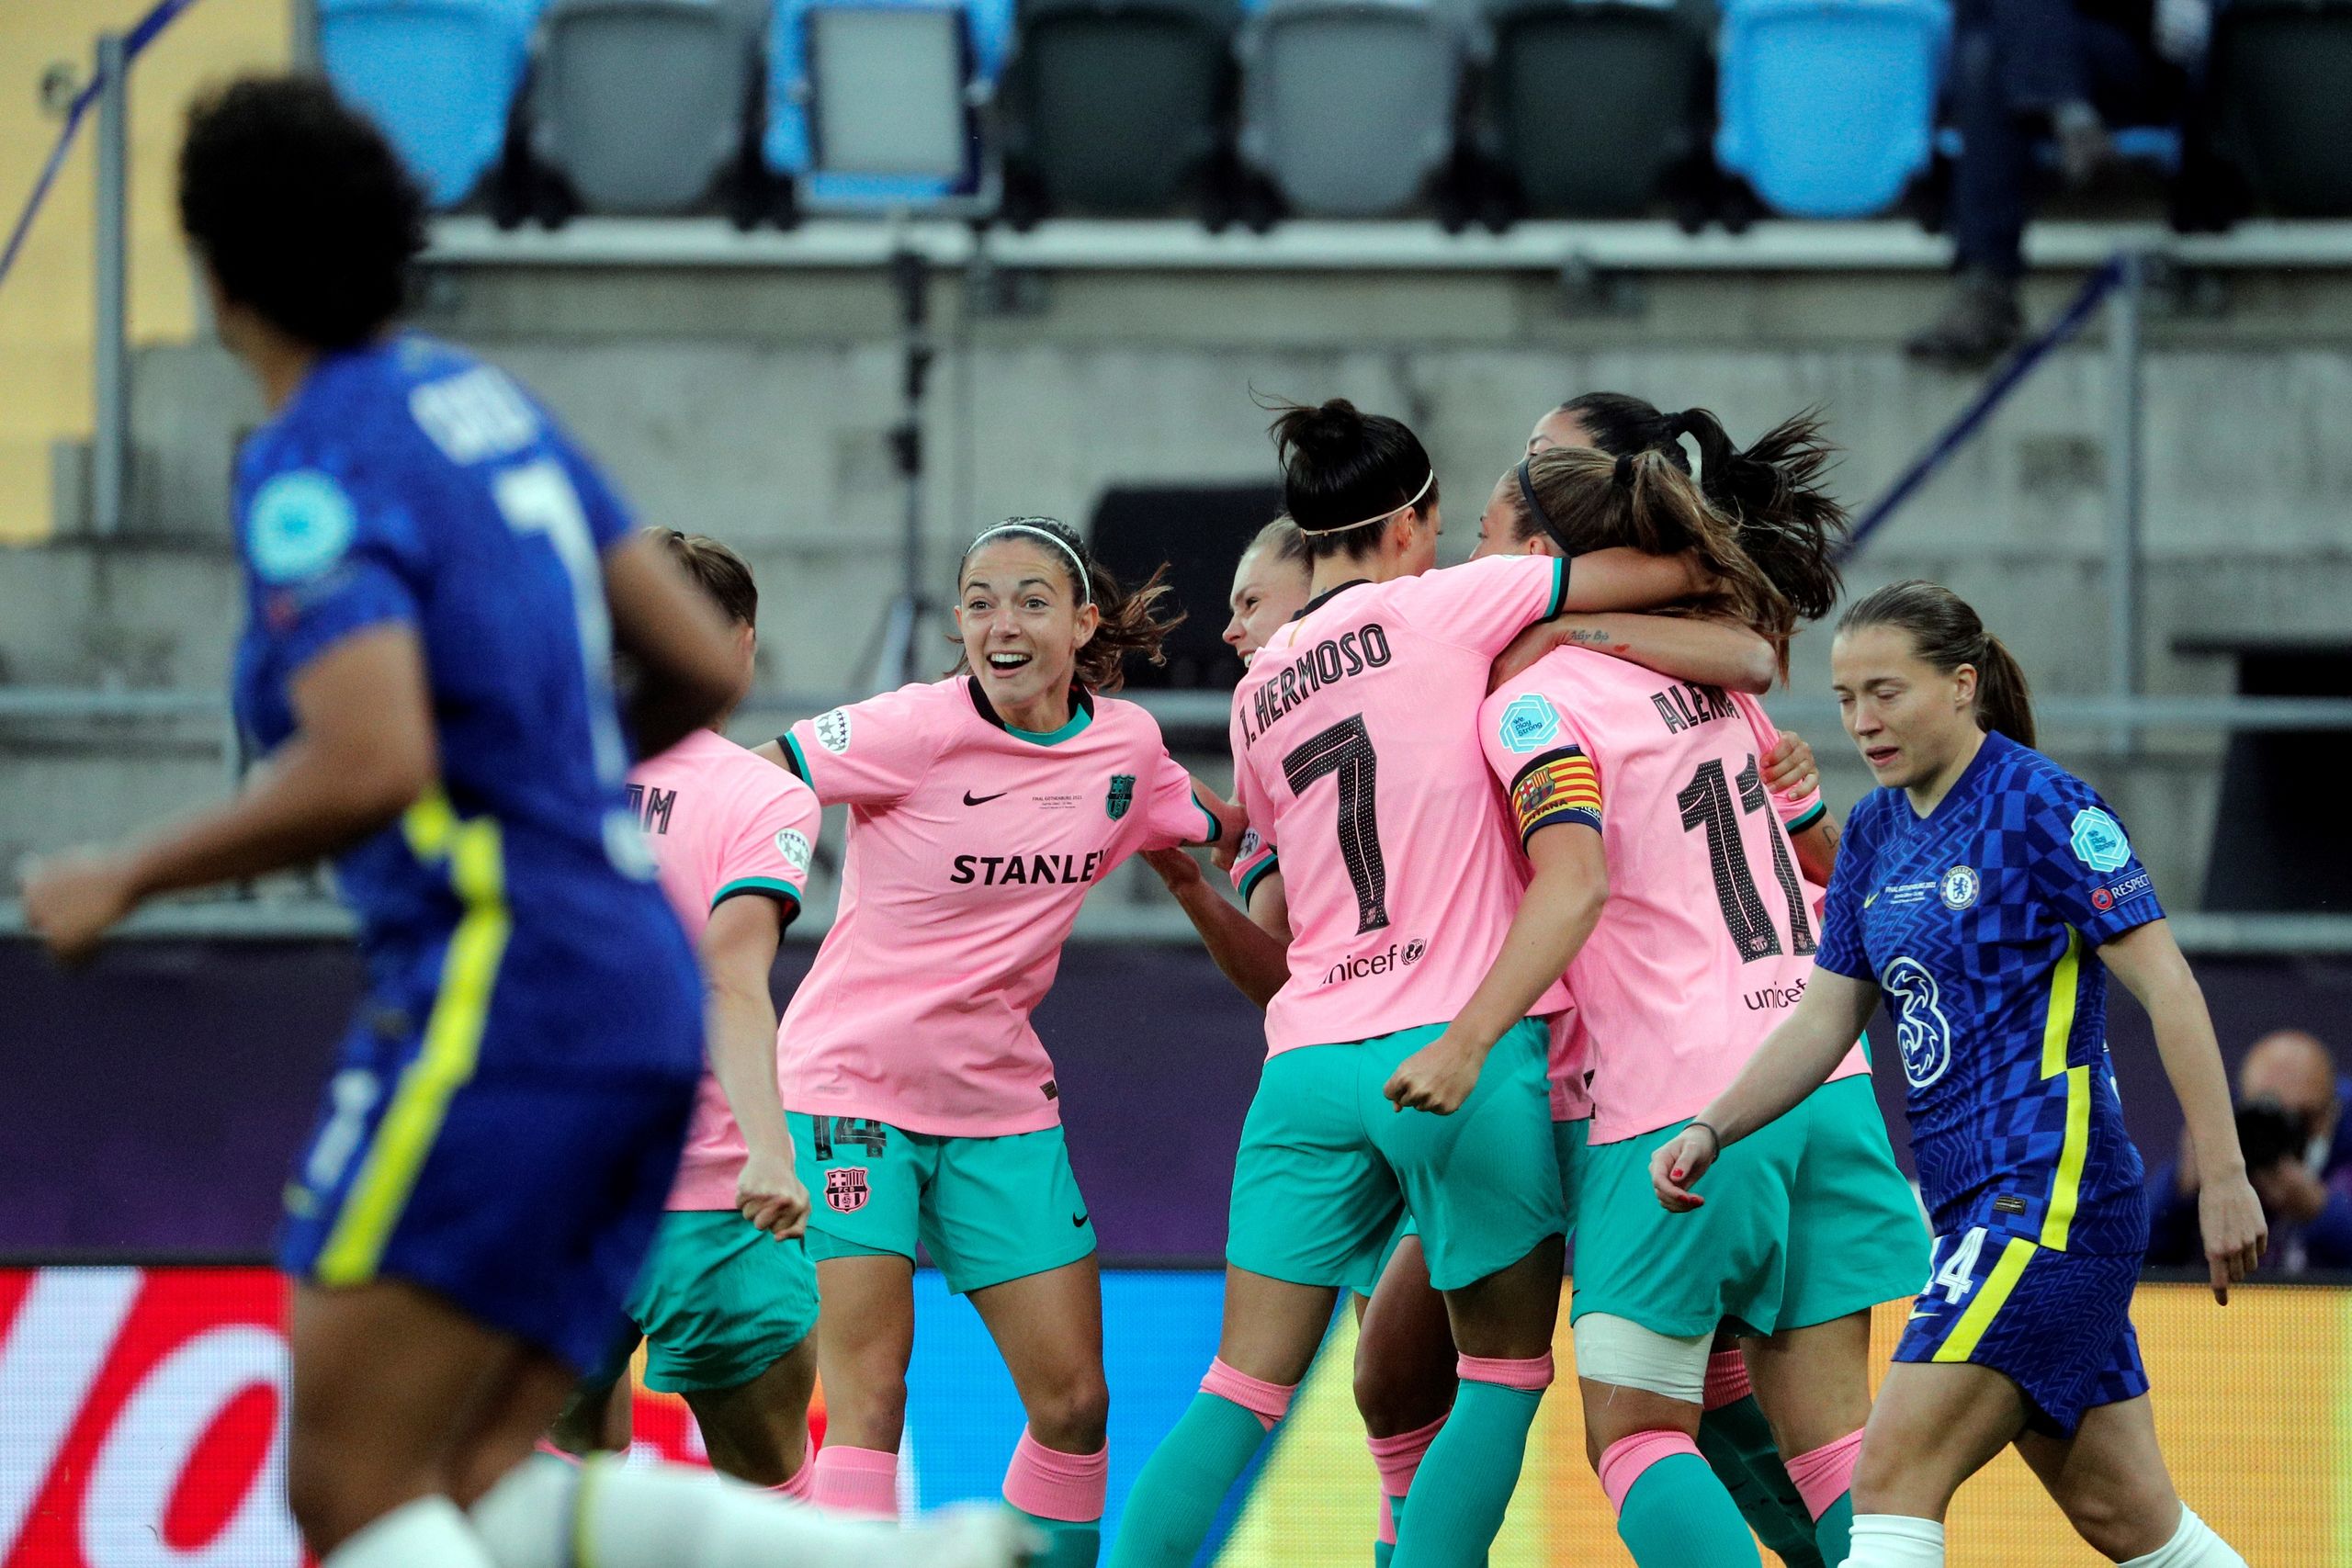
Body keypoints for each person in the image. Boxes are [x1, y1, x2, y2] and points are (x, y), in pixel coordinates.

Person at [18, 75, 1028, 1568]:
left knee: (350, 1485)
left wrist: (126, 873)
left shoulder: (313, 455)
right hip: (632, 984)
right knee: (484, 1472)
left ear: (221, 277)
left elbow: (368, 758)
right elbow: (697, 664)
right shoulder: (484, 403)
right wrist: (549, 768)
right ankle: (880, 1559)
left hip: (501, 987)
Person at [1111, 399, 1725, 1568]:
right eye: (1439, 528)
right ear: (1408, 525)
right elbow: (1682, 570)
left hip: (1306, 1063)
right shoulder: (1452, 603)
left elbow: (1276, 900)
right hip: (1457, 1047)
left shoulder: (1256, 692)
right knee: (1500, 1377)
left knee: (1237, 1390)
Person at [1380, 440, 1924, 1568]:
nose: (1471, 557)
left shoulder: (1533, 707)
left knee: (1634, 1433)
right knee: (1833, 1450)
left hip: (1683, 1096)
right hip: (1822, 1074)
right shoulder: (1717, 683)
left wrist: (1469, 1038)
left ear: (1544, 558)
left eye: (1486, 535)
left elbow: (1570, 878)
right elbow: (1817, 856)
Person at [1652, 580, 2266, 1568]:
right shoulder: (1873, 834)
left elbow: (2172, 988)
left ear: (1961, 685)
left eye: (1885, 692)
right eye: (1846, 698)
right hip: (1971, 1205)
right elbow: (1825, 1018)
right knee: (2128, 1520)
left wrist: (2225, 1174)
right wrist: (1711, 1125)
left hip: (2049, 1197)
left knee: (1890, 1476)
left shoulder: (2043, 805)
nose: (1862, 720)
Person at [754, 516, 1230, 1568]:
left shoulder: (1125, 749)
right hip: (849, 1089)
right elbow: (756, 777)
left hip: (999, 1106)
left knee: (1075, 1406)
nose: (1000, 624)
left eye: (1029, 601)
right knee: (869, 1395)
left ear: (1082, 623)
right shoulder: (908, 726)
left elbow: (1224, 827)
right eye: (978, 603)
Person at [545, 531, 825, 1490]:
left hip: (552, 1192)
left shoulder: (538, 772)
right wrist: (770, 1149)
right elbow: (728, 980)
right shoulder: (761, 796)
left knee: (578, 1495)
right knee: (774, 1506)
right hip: (712, 1198)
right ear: (739, 647)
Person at [1906, 0, 2207, 364]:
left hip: (2119, 64)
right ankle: (2070, 113)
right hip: (2014, 68)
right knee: (1982, 54)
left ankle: (1987, 284)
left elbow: (2173, 29)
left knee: (1986, 54)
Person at [2149, 1029, 2352, 1274]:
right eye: (2269, 1114)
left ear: (2332, 1109)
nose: (2282, 1134)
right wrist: (2181, 1189)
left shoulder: (2344, 1149)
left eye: (2302, 1118)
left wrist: (2320, 1209)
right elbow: (2137, 1256)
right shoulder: (2226, 1132)